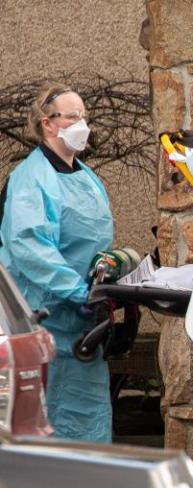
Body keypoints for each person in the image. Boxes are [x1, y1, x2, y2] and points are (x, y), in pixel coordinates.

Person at [0, 83, 114, 443]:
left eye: (84, 116)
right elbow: (29, 245)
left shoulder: (84, 175)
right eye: (73, 116)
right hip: (43, 314)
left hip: (80, 321)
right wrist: (79, 291)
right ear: (49, 124)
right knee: (44, 417)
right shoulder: (31, 179)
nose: (83, 124)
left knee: (87, 416)